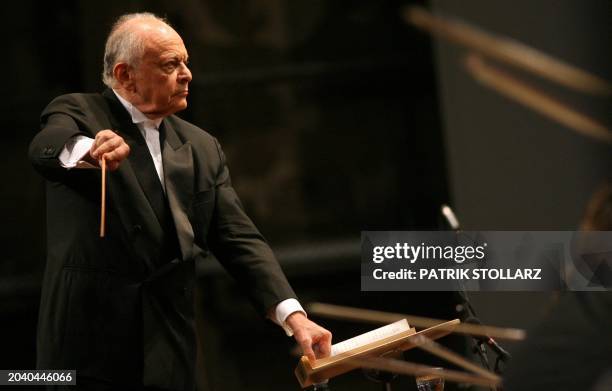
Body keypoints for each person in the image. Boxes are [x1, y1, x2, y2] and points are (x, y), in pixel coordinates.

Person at [29, 12, 331, 391]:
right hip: (84, 352)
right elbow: (45, 145)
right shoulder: (80, 112)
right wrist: (87, 150)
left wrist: (294, 317)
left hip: (169, 352)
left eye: (185, 62)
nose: (187, 74)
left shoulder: (202, 147)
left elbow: (239, 241)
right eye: (171, 64)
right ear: (125, 75)